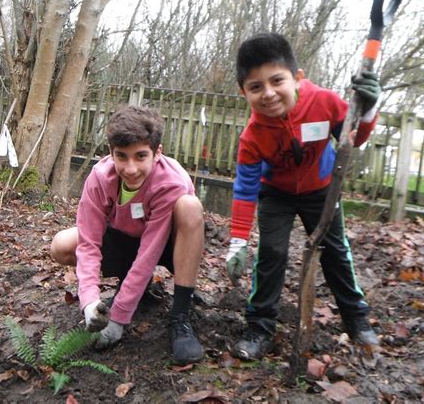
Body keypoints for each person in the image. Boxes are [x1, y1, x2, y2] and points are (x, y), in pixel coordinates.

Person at [225, 32, 382, 361]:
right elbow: (245, 188)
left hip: (322, 190)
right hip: (277, 194)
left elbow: (354, 138)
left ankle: (356, 319)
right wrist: (238, 241)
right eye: (256, 87)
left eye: (276, 80)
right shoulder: (252, 137)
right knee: (271, 252)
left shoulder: (323, 102)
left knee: (336, 253)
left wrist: (368, 112)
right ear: (244, 92)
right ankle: (259, 327)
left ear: (297, 77)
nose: (268, 94)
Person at [51, 106, 205, 366]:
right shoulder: (100, 178)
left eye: (140, 156)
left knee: (190, 207)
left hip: (169, 244)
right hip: (125, 239)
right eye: (121, 156)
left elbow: (149, 254)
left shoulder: (170, 181)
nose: (130, 168)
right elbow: (88, 244)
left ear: (157, 153)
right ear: (111, 153)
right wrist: (89, 302)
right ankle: (136, 288)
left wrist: (119, 317)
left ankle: (181, 315)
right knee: (62, 244)